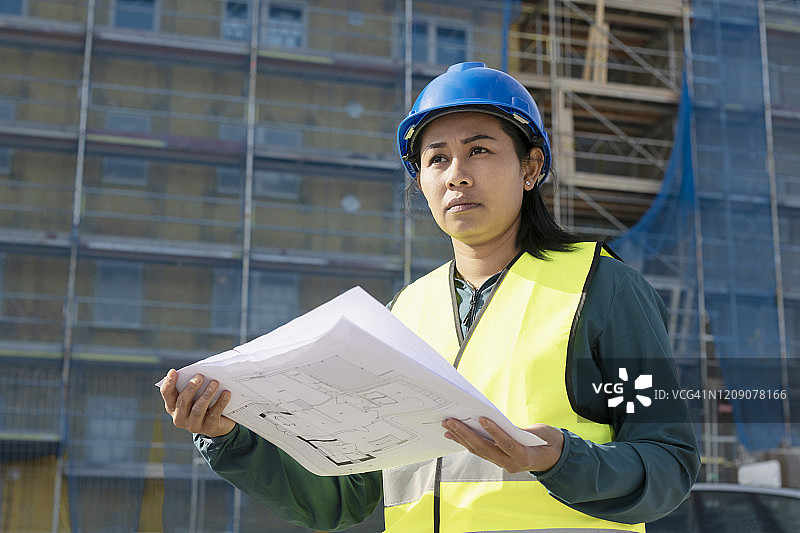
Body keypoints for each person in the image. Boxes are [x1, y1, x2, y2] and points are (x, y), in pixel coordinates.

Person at [160, 62, 700, 532]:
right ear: (420, 182)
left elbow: (667, 464)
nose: (457, 175)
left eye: (479, 150)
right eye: (437, 159)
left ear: (531, 167)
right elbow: (345, 497)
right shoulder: (403, 315)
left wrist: (559, 459)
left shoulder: (601, 290)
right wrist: (230, 437)